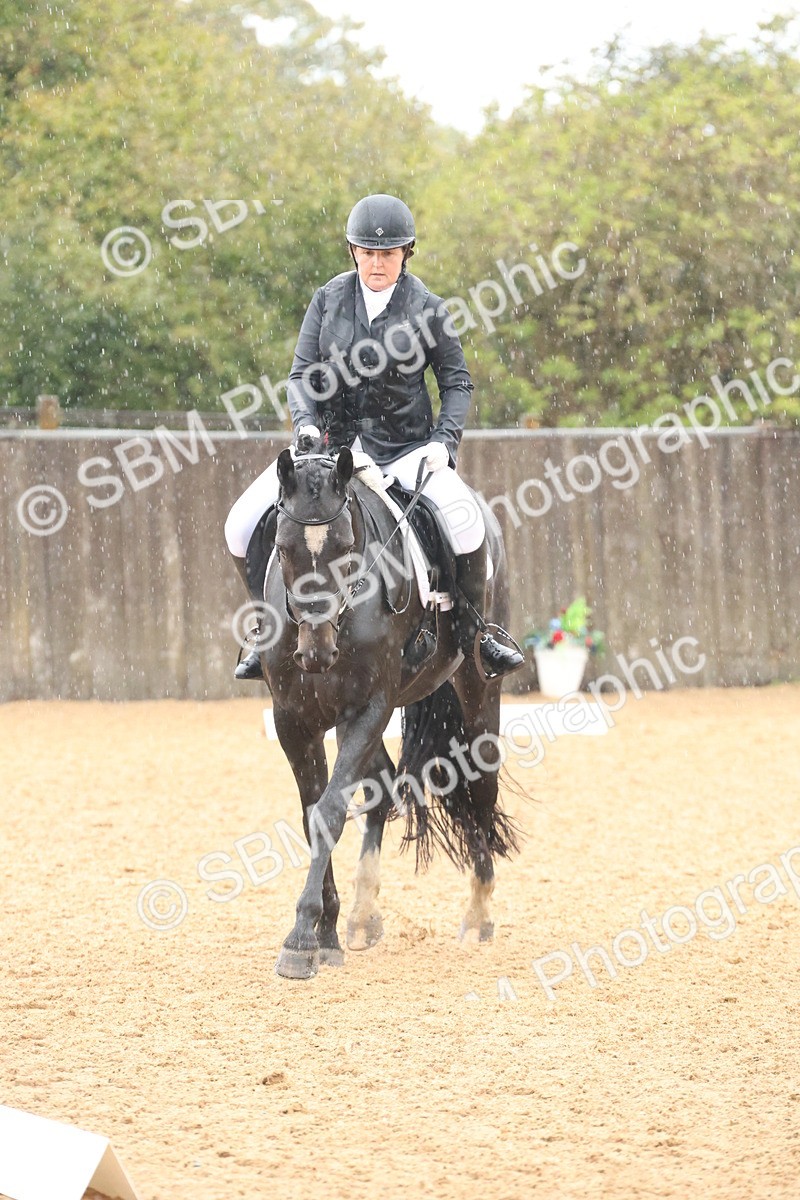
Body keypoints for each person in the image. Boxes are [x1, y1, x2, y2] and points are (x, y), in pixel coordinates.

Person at [224, 193, 524, 680]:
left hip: (405, 452)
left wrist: (443, 444)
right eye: (368, 252)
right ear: (353, 251)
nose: (377, 262)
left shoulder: (427, 308)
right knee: (239, 524)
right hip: (331, 454)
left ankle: (475, 636)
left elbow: (456, 382)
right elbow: (301, 375)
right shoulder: (327, 300)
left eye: (388, 253)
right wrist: (304, 425)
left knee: (467, 523)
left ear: (406, 253)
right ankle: (267, 630)